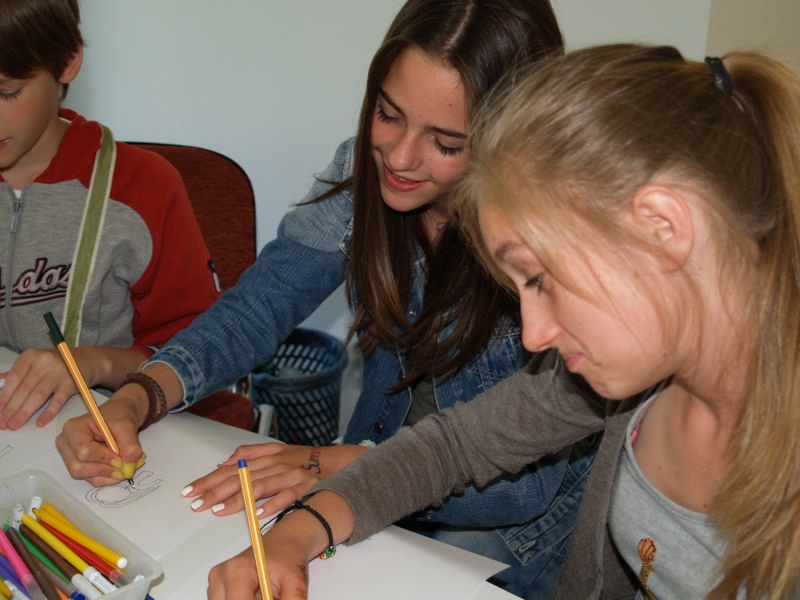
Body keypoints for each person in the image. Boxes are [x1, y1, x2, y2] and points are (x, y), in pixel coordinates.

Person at [206, 43, 800, 600]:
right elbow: (452, 448)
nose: (536, 336)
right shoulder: (630, 379)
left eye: (540, 279)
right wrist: (295, 535)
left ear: (664, 228)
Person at [56, 1, 600, 597]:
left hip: (507, 528)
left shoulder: (557, 239)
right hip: (372, 468)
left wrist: (333, 464)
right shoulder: (366, 169)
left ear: (511, 141)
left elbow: (521, 481)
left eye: (446, 143)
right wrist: (142, 395)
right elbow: (261, 303)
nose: (399, 157)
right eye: (388, 114)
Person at [0, 0, 221, 448]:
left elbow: (202, 350)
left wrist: (94, 363)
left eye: (7, 93)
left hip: (110, 433)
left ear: (68, 61)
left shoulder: (143, 187)